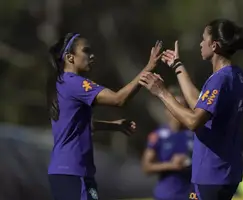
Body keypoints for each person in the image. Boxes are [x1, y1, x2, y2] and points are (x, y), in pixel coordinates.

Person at [139, 18, 243, 200]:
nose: (201, 43)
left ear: (215, 45)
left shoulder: (220, 79)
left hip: (212, 172)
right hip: (227, 171)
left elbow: (193, 121)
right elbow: (199, 103)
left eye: (204, 39)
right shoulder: (235, 74)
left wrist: (162, 92)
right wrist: (178, 67)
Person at [46, 32, 162, 200]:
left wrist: (113, 126)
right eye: (86, 51)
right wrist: (148, 69)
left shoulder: (63, 83)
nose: (92, 55)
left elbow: (78, 125)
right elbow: (118, 99)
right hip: (73, 171)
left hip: (66, 171)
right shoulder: (74, 82)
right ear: (70, 58)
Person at [141, 87, 194, 200]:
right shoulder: (158, 135)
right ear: (167, 110)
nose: (180, 112)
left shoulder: (195, 135)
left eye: (183, 107)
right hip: (166, 195)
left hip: (191, 195)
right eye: (176, 107)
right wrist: (171, 165)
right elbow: (146, 167)